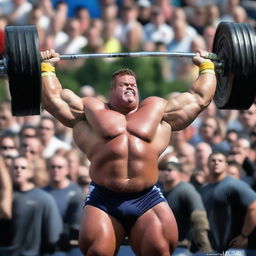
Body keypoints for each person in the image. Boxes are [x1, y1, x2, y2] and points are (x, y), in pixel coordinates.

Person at [40, 48, 217, 255]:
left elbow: (198, 98)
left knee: (159, 249)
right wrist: (47, 67)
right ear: (111, 91)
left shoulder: (157, 111)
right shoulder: (91, 111)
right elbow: (54, 100)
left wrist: (206, 67)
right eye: (124, 84)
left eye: (133, 84)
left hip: (146, 198)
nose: (130, 86)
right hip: (104, 199)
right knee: (97, 252)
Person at [0, 156, 63, 256]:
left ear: (31, 172)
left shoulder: (44, 198)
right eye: (15, 167)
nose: (19, 170)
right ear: (9, 171)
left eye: (23, 168)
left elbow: (53, 237)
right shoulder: (5, 198)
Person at [200, 152, 256, 254]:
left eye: (220, 161)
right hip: (212, 249)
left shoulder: (234, 185)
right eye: (213, 160)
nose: (216, 163)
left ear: (226, 165)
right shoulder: (204, 189)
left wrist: (244, 235)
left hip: (233, 249)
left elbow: (254, 206)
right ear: (207, 164)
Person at [159, 160, 212, 255]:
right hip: (167, 246)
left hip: (183, 247)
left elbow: (199, 218)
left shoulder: (185, 190)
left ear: (179, 173)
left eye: (170, 170)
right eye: (162, 170)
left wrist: (205, 248)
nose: (166, 172)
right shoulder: (161, 193)